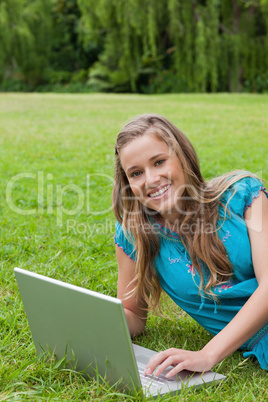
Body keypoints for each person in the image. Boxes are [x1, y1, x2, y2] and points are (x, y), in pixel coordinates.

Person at [113, 114, 268, 378]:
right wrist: (87, 321)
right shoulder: (134, 235)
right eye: (136, 173)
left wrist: (208, 354)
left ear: (182, 157)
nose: (151, 179)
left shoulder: (242, 194)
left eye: (159, 162)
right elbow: (133, 315)